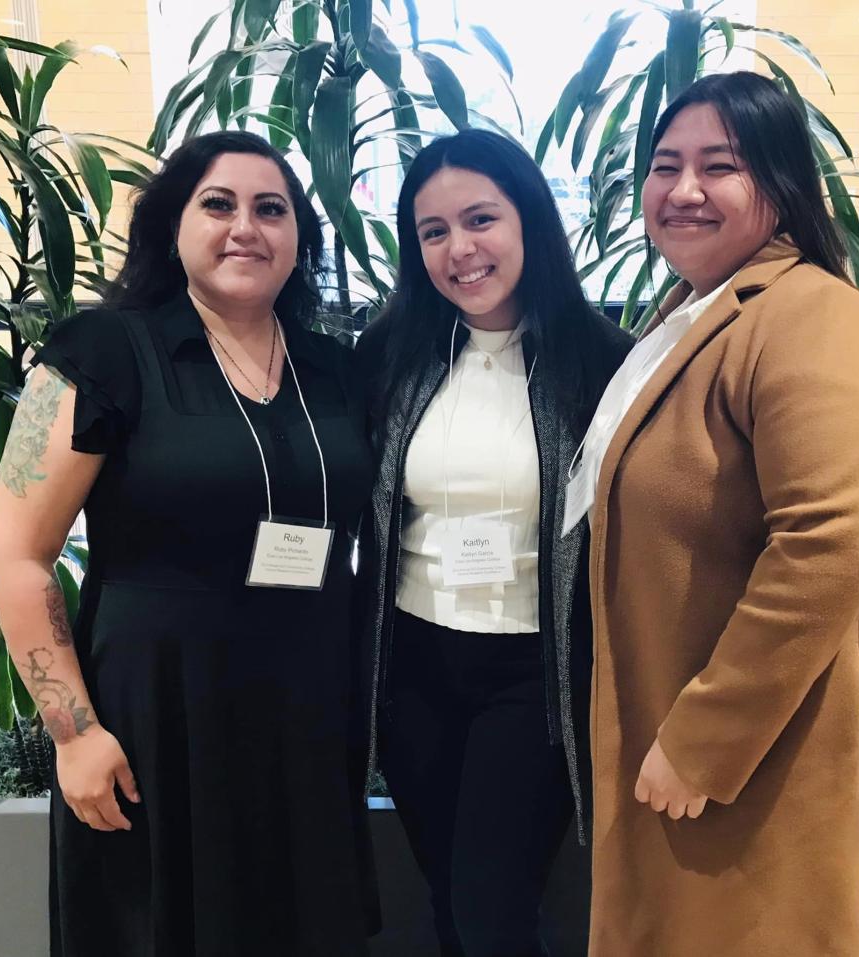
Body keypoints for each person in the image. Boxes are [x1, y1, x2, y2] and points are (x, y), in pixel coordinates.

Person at [0, 130, 376, 956]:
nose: (247, 227)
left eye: (272, 209)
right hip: (156, 720)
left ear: (299, 237)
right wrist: (73, 732)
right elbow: (16, 547)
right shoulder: (101, 352)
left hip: (303, 718)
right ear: (173, 225)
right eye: (218, 204)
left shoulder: (333, 369)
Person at [577, 72, 859, 955]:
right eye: (665, 165)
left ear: (779, 184)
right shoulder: (696, 313)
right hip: (694, 722)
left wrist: (705, 738)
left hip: (775, 747)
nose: (683, 190)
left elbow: (831, 542)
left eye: (718, 165)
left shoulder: (816, 316)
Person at [354, 128, 632, 957]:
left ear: (528, 222)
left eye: (481, 219)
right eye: (433, 231)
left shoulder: (602, 363)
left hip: (531, 675)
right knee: (446, 892)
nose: (459, 249)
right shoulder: (390, 355)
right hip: (414, 668)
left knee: (492, 909)